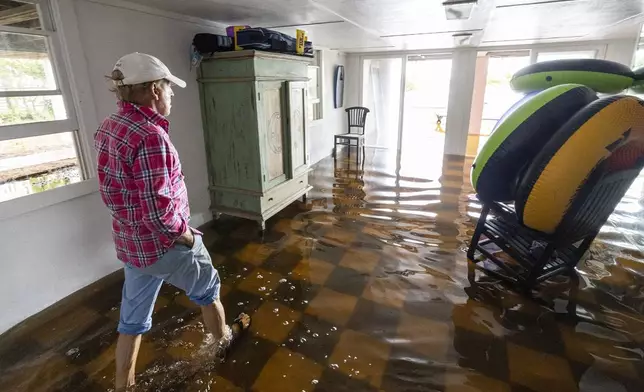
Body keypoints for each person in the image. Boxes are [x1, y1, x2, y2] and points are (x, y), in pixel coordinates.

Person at [94, 52, 250, 391]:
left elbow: (114, 193)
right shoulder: (151, 136)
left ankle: (124, 386)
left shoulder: (110, 127)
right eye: (168, 87)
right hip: (165, 244)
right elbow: (159, 211)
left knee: (132, 321)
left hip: (132, 245)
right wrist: (188, 238)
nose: (172, 94)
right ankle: (222, 342)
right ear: (153, 89)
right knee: (208, 290)